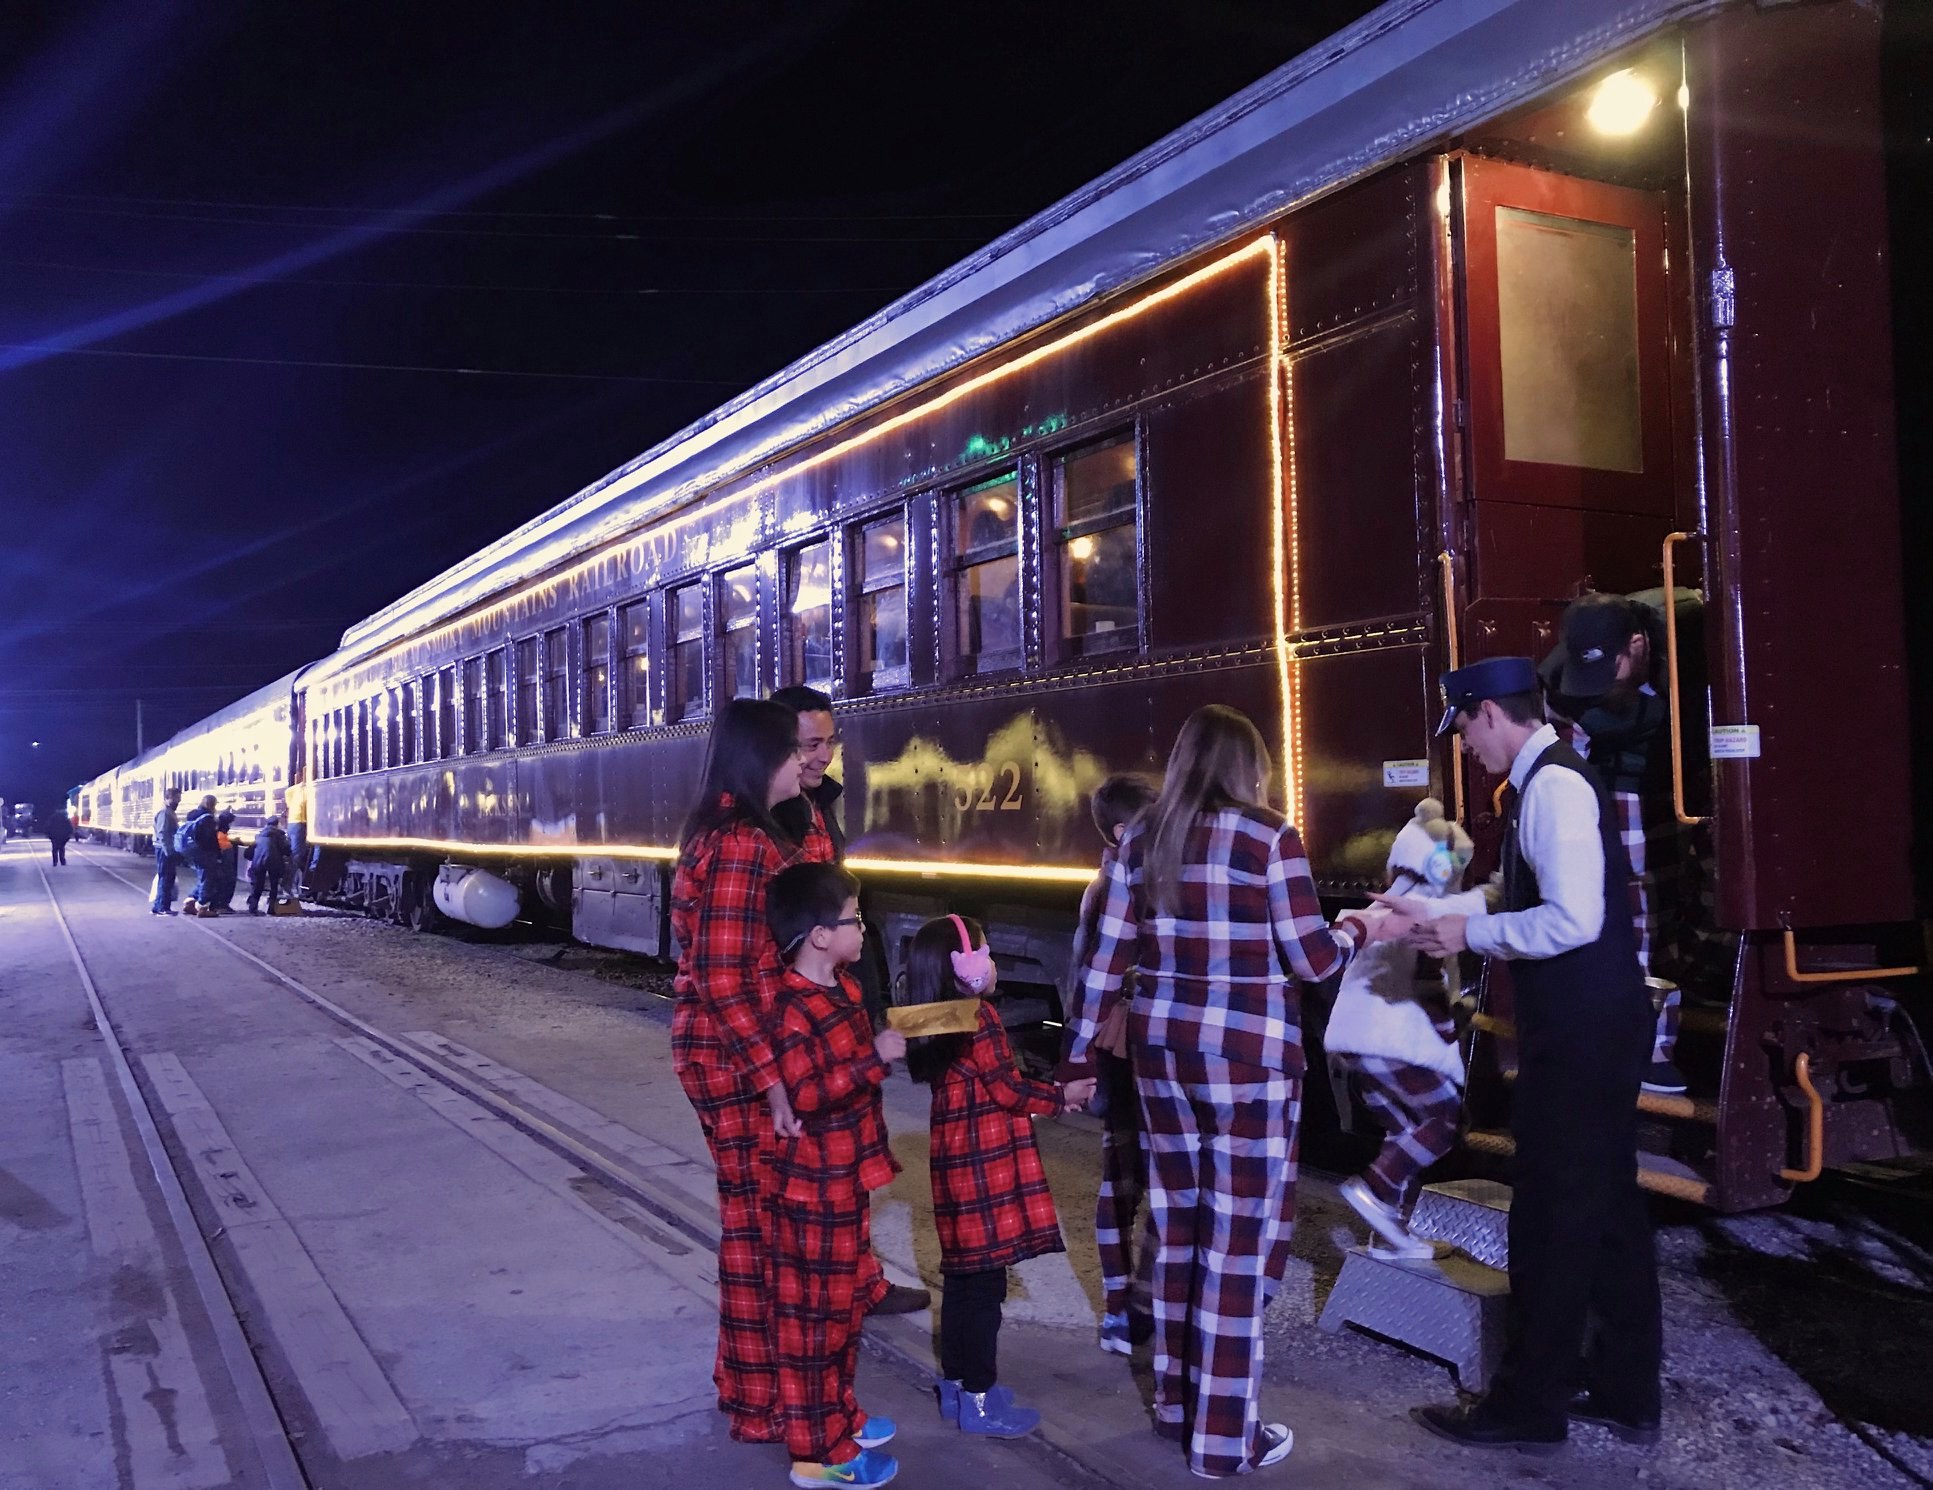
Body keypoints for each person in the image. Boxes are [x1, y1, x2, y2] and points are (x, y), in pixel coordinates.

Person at [1070, 704, 1380, 1477]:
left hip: (1163, 1054)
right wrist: (1360, 929)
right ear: (1249, 767)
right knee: (1236, 1248)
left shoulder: (1141, 838)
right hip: (1249, 1060)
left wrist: (1076, 1056)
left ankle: (1173, 1403)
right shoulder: (1270, 837)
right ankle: (1219, 1440)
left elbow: (1102, 964)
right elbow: (1312, 962)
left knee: (1176, 1228)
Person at [1395, 656, 1661, 1452]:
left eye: (1464, 731)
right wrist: (1442, 909)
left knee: (1548, 1217)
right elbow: (1529, 895)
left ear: (1485, 713)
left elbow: (1571, 919)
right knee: (1609, 1209)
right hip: (1595, 1024)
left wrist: (1468, 933)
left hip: (1579, 1032)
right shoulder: (1548, 779)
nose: (1466, 750)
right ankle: (1623, 1390)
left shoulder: (1552, 786)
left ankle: (1527, 1407)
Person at [670, 698, 841, 1448]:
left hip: (729, 1051)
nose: (807, 759)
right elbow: (724, 976)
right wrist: (774, 1081)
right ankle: (760, 1402)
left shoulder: (744, 831)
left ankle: (750, 1389)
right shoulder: (743, 845)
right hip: (736, 1057)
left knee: (759, 1224)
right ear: (762, 757)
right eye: (794, 749)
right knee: (761, 1231)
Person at [900, 913, 1095, 1438]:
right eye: (982, 950)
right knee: (985, 1291)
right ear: (962, 966)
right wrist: (1061, 1097)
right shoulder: (979, 1019)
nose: (990, 960)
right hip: (984, 1170)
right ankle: (979, 1399)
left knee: (963, 1281)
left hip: (954, 1168)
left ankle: (957, 1387)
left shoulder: (932, 1018)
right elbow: (1007, 1089)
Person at [772, 685, 929, 1318]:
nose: (824, 756)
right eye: (811, 744)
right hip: (807, 1009)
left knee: (857, 1143)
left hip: (836, 994)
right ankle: (827, 1296)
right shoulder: (771, 816)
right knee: (822, 1170)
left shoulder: (816, 805)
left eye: (830, 742)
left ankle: (862, 1281)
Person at [763, 862, 906, 1489]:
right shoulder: (793, 1007)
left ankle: (839, 1416)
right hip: (813, 1186)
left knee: (844, 1309)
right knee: (815, 1320)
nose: (862, 929)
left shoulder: (843, 990)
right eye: (854, 919)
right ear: (821, 935)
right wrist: (874, 1058)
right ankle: (818, 1452)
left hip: (846, 1176)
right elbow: (808, 1092)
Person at [1542, 589, 1709, 1094]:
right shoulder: (1559, 675)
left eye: (1606, 673)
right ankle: (1630, 1049)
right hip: (1602, 785)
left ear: (1637, 646)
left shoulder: (1691, 650)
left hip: (1671, 781)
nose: (1596, 687)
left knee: (1671, 916)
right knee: (1616, 911)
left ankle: (1651, 1042)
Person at [1325, 799, 1488, 1259]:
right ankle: (1376, 1191)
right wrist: (1452, 1019)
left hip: (1352, 1042)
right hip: (1392, 1038)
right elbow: (1426, 977)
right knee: (1444, 1121)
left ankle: (1389, 1237)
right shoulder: (1427, 906)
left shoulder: (1391, 894)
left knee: (1403, 1131)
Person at [1057, 772, 1161, 1354]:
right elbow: (1097, 971)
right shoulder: (1115, 885)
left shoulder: (1112, 881)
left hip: (1127, 1043)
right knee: (1127, 1180)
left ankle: (1129, 1307)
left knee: (1129, 1179)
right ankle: (1125, 1309)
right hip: (1130, 1045)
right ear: (1126, 832)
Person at [177, 795, 220, 914]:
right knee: (207, 879)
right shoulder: (208, 819)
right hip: (205, 852)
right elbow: (209, 839)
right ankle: (202, 907)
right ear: (212, 804)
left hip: (193, 851)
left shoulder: (193, 815)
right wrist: (216, 853)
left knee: (202, 877)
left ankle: (190, 901)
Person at [248, 815, 293, 913]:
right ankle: (271, 908)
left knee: (258, 884)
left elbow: (250, 851)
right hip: (274, 862)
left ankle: (253, 907)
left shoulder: (259, 835)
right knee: (274, 885)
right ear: (277, 824)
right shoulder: (280, 835)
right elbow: (286, 850)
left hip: (258, 862)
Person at [151, 788, 182, 915]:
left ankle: (159, 906)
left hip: (165, 848)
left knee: (167, 877)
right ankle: (162, 907)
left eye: (179, 798)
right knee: (166, 878)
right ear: (167, 798)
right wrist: (169, 851)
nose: (178, 801)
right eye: (175, 798)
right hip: (164, 849)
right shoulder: (164, 813)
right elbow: (162, 833)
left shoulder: (169, 812)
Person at [211, 809, 241, 912]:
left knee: (220, 883)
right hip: (224, 864)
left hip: (223, 863)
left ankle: (217, 904)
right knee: (226, 883)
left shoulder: (218, 832)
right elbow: (223, 849)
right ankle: (222, 905)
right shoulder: (221, 835)